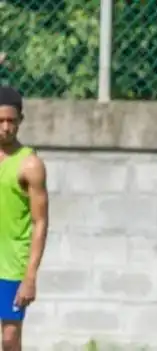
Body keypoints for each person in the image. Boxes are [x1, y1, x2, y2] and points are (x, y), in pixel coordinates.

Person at [0, 86, 49, 351]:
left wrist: (30, 276)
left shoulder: (30, 165)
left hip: (11, 267)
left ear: (21, 121)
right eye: (0, 121)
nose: (6, 127)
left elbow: (40, 222)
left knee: (9, 338)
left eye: (11, 121)